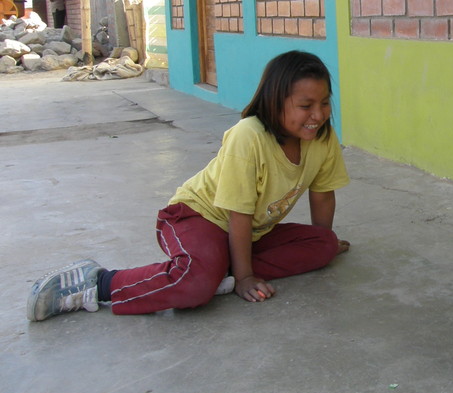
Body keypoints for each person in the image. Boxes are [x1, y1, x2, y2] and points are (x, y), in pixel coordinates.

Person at [27, 50, 351, 320]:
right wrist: (244, 277)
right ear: (275, 101)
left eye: (324, 102)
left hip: (249, 231)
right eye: (306, 106)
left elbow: (322, 195)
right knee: (196, 287)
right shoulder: (248, 136)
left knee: (323, 246)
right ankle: (97, 283)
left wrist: (325, 238)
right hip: (194, 218)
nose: (319, 114)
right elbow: (237, 212)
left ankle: (214, 270)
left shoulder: (322, 139)